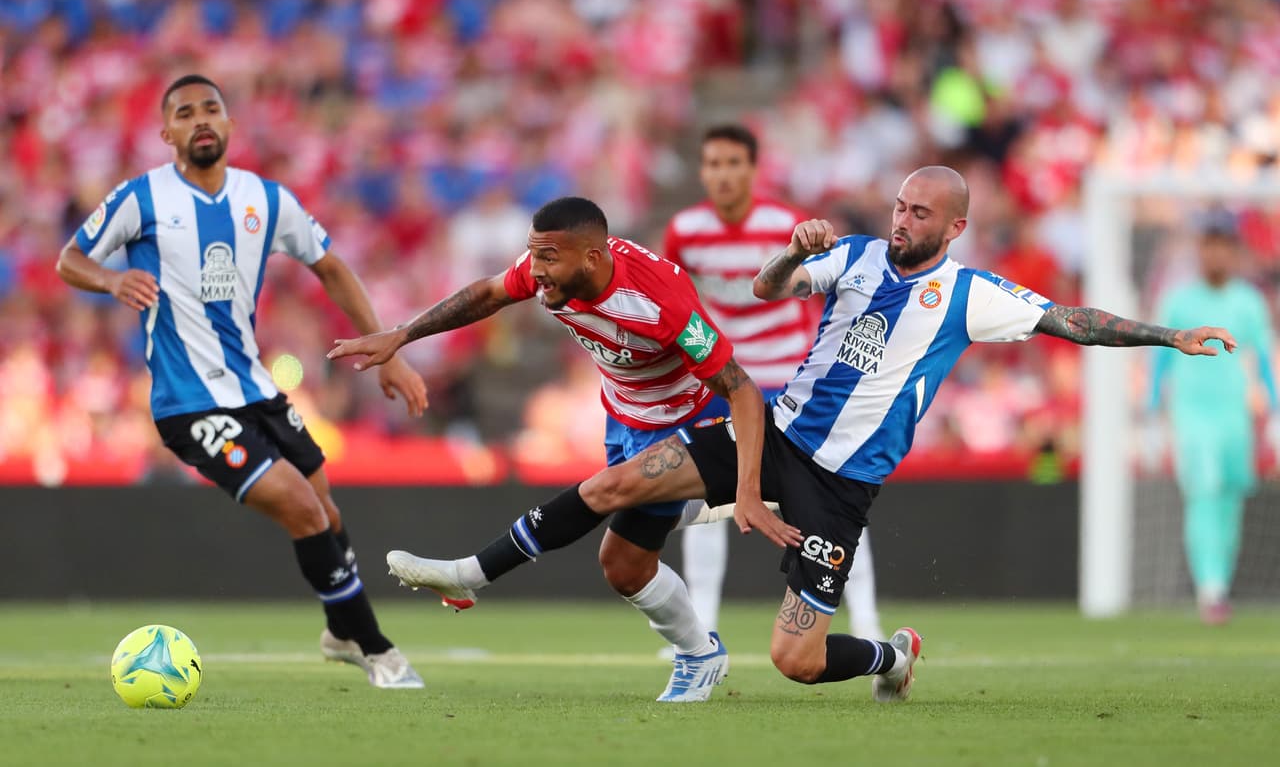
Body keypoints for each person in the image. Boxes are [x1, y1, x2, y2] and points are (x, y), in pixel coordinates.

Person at [376, 166, 1235, 701]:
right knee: (618, 484)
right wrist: (794, 253)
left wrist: (1169, 335)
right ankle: (477, 570)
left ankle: (890, 657)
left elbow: (1072, 320)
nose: (904, 221)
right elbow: (763, 287)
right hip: (777, 432)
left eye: (922, 214)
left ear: (955, 228)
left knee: (795, 658)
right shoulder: (854, 256)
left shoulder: (975, 296)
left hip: (839, 484)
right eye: (900, 206)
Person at [55, 74, 429, 689]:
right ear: (166, 132)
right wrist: (111, 280)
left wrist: (388, 351)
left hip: (257, 389)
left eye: (212, 109)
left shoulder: (266, 200)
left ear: (229, 124)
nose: (200, 119)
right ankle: (377, 648)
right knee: (303, 510)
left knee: (328, 512)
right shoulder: (140, 198)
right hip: (189, 403)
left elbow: (330, 266)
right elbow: (71, 258)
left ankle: (339, 632)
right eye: (185, 112)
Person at [328, 196, 775, 702]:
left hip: (687, 421)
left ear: (591, 257)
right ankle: (700, 647)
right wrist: (402, 335)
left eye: (547, 258)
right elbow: (486, 294)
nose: (535, 271)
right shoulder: (550, 268)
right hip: (624, 417)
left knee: (608, 492)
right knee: (624, 567)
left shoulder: (660, 299)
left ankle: (471, 573)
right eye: (532, 255)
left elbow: (740, 387)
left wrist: (749, 484)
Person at [664, 124, 882, 641]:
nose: (722, 174)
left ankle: (869, 622)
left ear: (753, 169)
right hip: (720, 383)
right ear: (702, 170)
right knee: (708, 503)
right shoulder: (685, 230)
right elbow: (677, 303)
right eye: (713, 164)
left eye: (733, 163)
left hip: (788, 387)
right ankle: (702, 629)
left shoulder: (784, 226)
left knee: (829, 503)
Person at [1147, 212, 1278, 625]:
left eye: (1224, 244)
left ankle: (1219, 582)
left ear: (1235, 251)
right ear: (1201, 249)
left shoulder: (1248, 301)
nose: (1217, 252)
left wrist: (1275, 414)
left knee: (1229, 498)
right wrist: (1150, 415)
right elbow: (1158, 360)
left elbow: (1265, 363)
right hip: (1192, 413)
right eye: (1210, 243)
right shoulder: (1180, 299)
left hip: (1234, 416)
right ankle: (1211, 588)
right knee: (1203, 492)